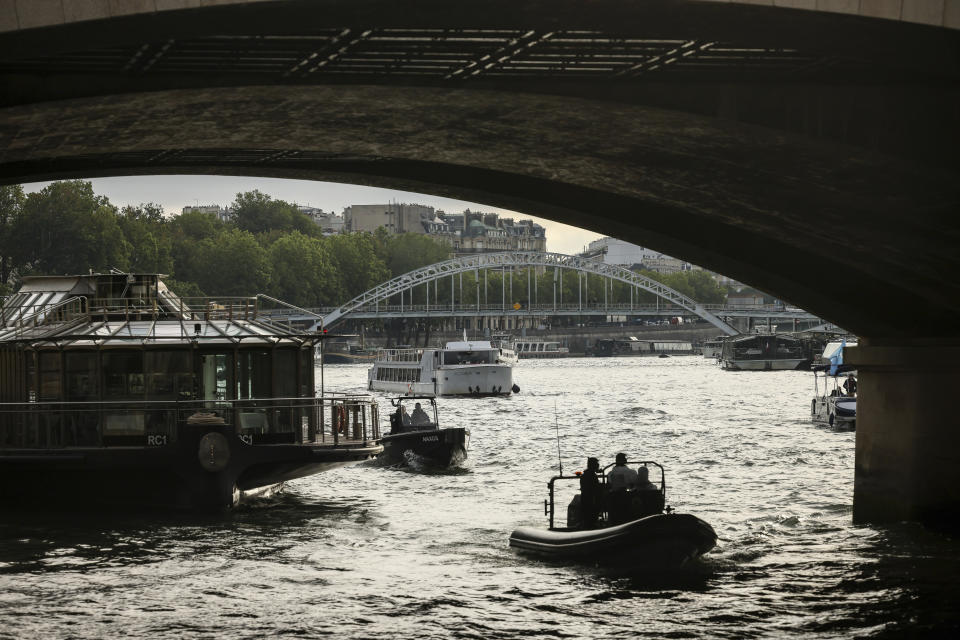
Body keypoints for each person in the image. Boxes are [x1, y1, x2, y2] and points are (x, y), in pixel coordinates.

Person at [579, 457, 602, 529]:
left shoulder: (584, 475)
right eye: (597, 464)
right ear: (594, 465)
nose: (598, 465)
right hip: (591, 500)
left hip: (584, 499)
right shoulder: (592, 476)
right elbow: (596, 489)